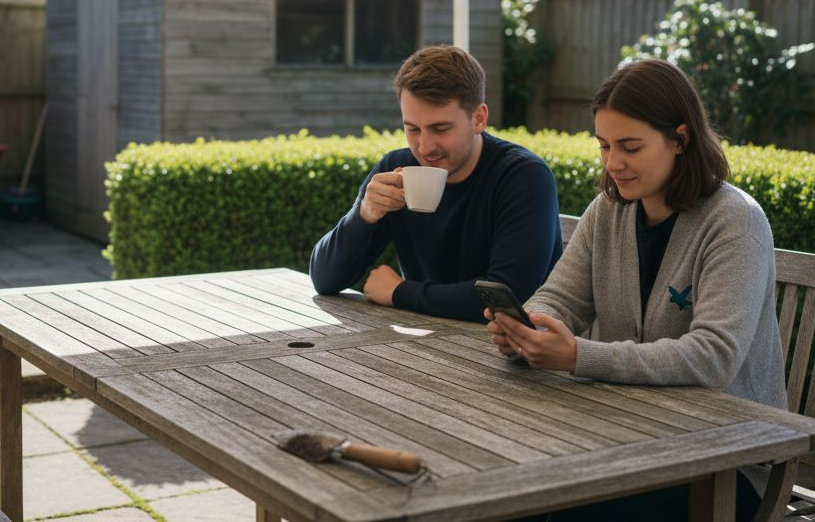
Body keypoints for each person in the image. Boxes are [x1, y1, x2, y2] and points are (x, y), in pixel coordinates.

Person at [486, 58, 784, 522]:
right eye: (604, 145)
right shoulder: (609, 211)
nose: (613, 163)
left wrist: (579, 357)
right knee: (504, 488)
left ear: (680, 139)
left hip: (726, 460)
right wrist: (530, 326)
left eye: (630, 147)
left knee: (557, 511)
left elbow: (713, 357)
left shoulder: (735, 221)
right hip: (627, 435)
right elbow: (560, 297)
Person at [310, 45, 562, 323]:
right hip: (425, 348)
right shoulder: (396, 170)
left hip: (509, 354)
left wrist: (399, 292)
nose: (425, 147)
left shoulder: (523, 176)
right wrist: (363, 216)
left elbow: (505, 298)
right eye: (412, 129)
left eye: (440, 129)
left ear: (479, 118)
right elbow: (325, 280)